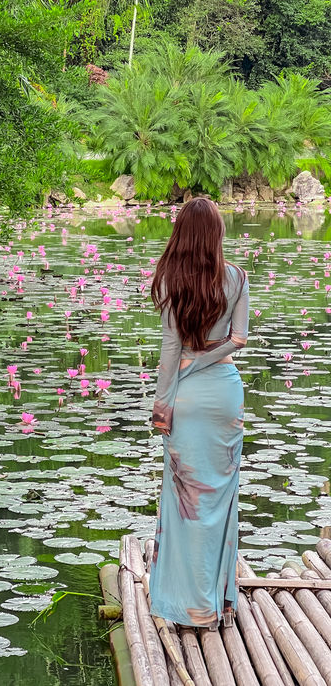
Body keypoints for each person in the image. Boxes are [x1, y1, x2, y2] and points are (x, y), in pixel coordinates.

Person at [147, 197, 249, 630]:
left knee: (185, 502)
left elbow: (171, 353)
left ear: (182, 236)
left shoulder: (171, 279)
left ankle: (188, 607)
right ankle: (219, 606)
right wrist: (209, 358)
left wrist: (162, 404)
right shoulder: (237, 277)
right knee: (219, 501)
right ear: (217, 234)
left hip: (186, 398)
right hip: (225, 396)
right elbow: (239, 339)